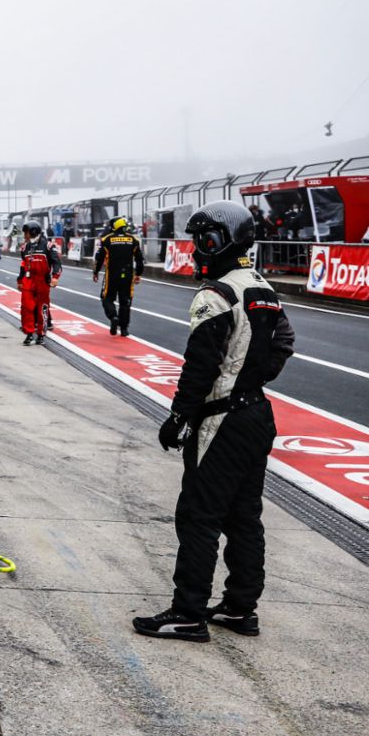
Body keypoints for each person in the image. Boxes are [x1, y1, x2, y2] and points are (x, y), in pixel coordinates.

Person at [134, 201, 295, 643]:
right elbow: (284, 344)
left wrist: (179, 416)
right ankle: (242, 608)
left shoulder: (217, 293)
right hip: (258, 412)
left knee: (198, 516)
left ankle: (188, 612)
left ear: (218, 240)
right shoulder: (262, 287)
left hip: (221, 418)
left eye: (201, 240)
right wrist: (250, 377)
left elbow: (200, 364)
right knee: (245, 516)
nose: (196, 249)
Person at [93, 217, 145, 336]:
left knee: (106, 298)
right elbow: (140, 259)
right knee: (125, 302)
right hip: (127, 275)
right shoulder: (133, 239)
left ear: (114, 226)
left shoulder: (107, 239)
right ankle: (124, 329)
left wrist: (95, 272)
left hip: (112, 275)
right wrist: (138, 274)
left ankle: (113, 317)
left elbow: (99, 258)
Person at [17, 220, 59, 345]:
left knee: (43, 309)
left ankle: (41, 334)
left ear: (34, 232)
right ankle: (29, 334)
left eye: (27, 232)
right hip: (28, 281)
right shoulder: (25, 247)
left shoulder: (48, 246)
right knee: (26, 308)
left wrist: (55, 277)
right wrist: (20, 280)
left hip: (42, 281)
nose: (25, 235)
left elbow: (57, 262)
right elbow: (23, 264)